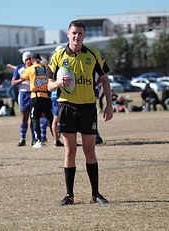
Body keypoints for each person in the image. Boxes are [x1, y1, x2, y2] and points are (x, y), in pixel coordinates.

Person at [47, 20, 113, 205]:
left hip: (88, 107)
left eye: (80, 33)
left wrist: (109, 105)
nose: (77, 36)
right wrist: (59, 83)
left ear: (84, 35)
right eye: (74, 33)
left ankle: (96, 194)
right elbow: (48, 85)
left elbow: (104, 80)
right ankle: (69, 195)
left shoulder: (93, 54)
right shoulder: (58, 56)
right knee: (70, 151)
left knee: (90, 150)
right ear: (68, 34)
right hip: (67, 107)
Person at [13, 53, 54, 148]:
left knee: (35, 118)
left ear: (32, 59)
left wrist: (21, 80)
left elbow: (18, 81)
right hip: (46, 96)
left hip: (35, 96)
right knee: (50, 118)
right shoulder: (45, 67)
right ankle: (57, 138)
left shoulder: (30, 69)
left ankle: (38, 140)